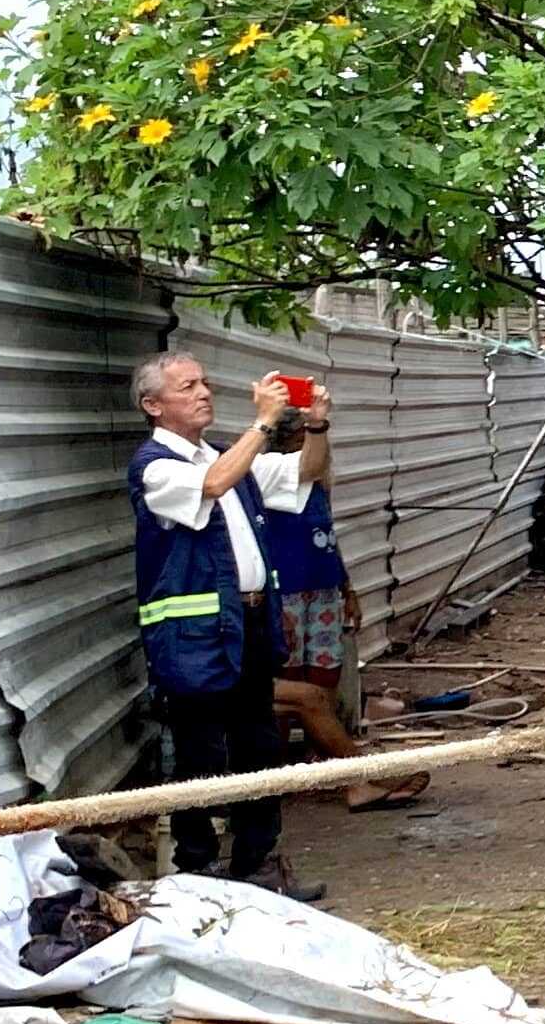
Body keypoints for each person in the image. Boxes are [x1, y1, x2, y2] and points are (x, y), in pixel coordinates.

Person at [127, 353, 327, 894]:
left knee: (258, 743)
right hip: (190, 635)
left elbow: (305, 471)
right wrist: (263, 423)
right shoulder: (155, 465)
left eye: (205, 383)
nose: (204, 393)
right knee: (200, 752)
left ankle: (257, 864)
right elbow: (212, 483)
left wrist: (316, 425)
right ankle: (197, 869)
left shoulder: (223, 456)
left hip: (248, 619)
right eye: (187, 386)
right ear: (153, 405)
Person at [258, 483, 427, 811]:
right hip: (268, 613)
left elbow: (328, 542)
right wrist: (273, 607)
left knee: (318, 689)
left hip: (316, 592)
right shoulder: (266, 483)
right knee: (299, 693)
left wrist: (347, 589)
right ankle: (355, 777)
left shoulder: (317, 489)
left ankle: (338, 771)